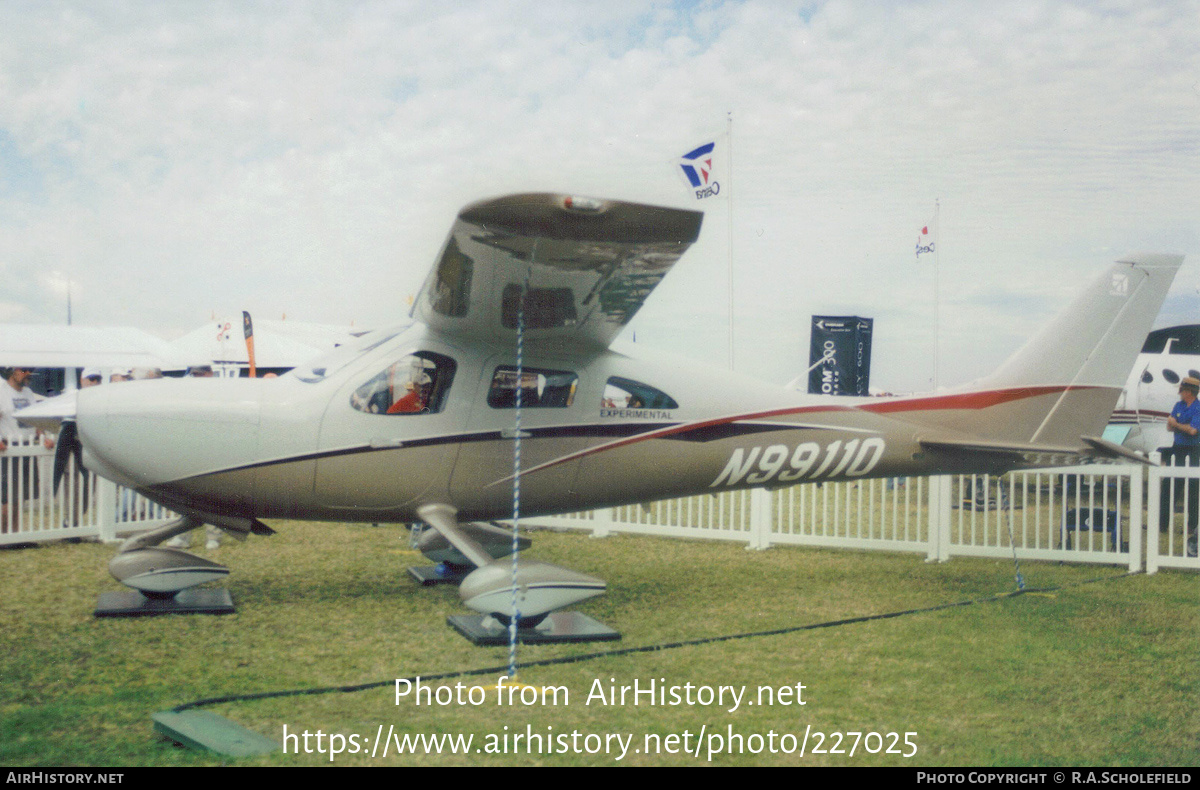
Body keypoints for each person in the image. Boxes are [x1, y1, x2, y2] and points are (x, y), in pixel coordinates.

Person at [0, 368, 54, 533]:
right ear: (12, 372)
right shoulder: (2, 392)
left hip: (28, 446)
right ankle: (4, 535)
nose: (28, 373)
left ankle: (16, 534)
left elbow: (35, 420)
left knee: (21, 495)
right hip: (10, 447)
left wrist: (43, 435)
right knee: (9, 497)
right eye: (23, 370)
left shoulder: (29, 393)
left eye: (29, 370)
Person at [1159, 375, 1200, 554]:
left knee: (1192, 489)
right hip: (1177, 448)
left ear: (1189, 391)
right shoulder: (1179, 405)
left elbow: (1193, 430)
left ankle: (1192, 525)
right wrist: (1176, 425)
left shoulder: (1198, 408)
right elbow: (1169, 427)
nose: (1180, 392)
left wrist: (1176, 424)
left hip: (1193, 450)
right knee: (1169, 487)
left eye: (1182, 389)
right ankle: (1162, 523)